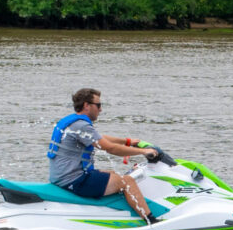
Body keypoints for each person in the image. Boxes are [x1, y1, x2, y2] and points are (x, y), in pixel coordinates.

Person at [47, 87, 159, 222]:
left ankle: (111, 212)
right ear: (86, 105)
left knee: (112, 174)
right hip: (75, 180)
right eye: (98, 105)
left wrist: (127, 141)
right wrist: (144, 151)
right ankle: (151, 221)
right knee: (127, 181)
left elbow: (100, 138)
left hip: (61, 177)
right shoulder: (82, 126)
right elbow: (110, 148)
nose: (101, 109)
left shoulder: (72, 122)